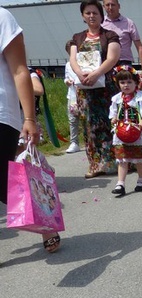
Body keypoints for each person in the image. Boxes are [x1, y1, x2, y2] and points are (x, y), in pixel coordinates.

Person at [0, 7, 60, 253]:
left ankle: (45, 220)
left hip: (2, 113)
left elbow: (19, 70)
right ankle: (44, 217)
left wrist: (29, 118)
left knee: (6, 180)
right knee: (6, 183)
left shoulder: (2, 17)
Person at [69, 0, 120, 179]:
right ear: (83, 16)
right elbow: (73, 59)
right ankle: (95, 165)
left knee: (111, 123)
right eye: (88, 13)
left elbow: (112, 58)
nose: (91, 16)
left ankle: (120, 162)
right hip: (85, 89)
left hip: (106, 88)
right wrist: (80, 74)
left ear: (101, 15)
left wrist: (97, 73)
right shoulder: (77, 37)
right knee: (89, 127)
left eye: (95, 13)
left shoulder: (110, 35)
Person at [109, 66, 142, 196]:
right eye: (122, 82)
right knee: (122, 158)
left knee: (138, 158)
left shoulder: (140, 98)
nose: (126, 85)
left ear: (135, 83)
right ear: (118, 84)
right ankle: (120, 183)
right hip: (121, 132)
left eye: (129, 82)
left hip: (136, 132)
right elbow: (113, 113)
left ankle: (141, 180)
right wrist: (114, 119)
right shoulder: (116, 99)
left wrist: (140, 126)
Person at [102, 0, 142, 66]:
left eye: (113, 5)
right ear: (103, 7)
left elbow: (139, 47)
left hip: (124, 62)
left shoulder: (129, 23)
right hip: (106, 63)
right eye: (107, 5)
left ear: (119, 6)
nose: (110, 7)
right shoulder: (100, 23)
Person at [63, 41, 81, 154]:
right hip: (72, 96)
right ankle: (74, 142)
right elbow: (66, 77)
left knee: (87, 120)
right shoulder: (68, 64)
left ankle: (89, 140)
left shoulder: (84, 62)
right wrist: (67, 81)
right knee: (73, 120)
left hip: (84, 95)